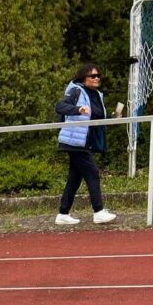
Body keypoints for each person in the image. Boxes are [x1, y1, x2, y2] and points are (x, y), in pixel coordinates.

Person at [55, 62, 117, 226]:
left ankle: (63, 213)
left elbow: (96, 117)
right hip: (74, 141)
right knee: (92, 173)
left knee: (75, 178)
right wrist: (78, 110)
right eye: (93, 76)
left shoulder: (96, 95)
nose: (97, 78)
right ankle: (98, 211)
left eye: (98, 76)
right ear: (84, 78)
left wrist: (114, 118)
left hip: (85, 142)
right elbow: (60, 106)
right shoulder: (76, 90)